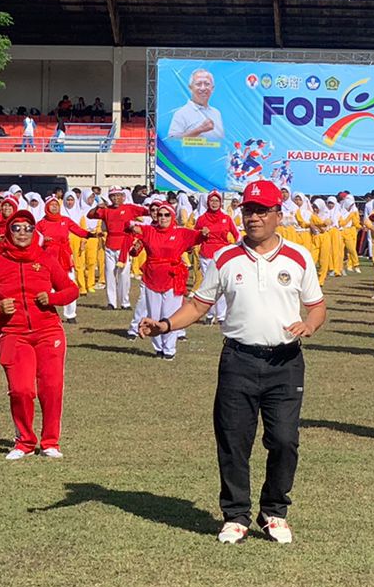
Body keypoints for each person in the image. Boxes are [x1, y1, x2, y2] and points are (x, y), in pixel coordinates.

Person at [140, 180, 326, 544]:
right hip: (238, 359)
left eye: (261, 210)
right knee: (233, 439)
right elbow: (197, 305)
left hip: (285, 362)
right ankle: (236, 515)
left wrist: (310, 324)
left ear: (278, 214)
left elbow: (316, 305)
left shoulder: (299, 256)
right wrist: (164, 324)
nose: (253, 217)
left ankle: (274, 511)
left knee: (285, 441)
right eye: (248, 210)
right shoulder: (225, 257)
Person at [0, 209, 78, 459]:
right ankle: (25, 441)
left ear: (35, 232)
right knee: (21, 390)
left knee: (51, 387)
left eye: (28, 228)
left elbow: (71, 290)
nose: (22, 233)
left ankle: (50, 441)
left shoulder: (46, 259)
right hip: (13, 333)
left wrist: (51, 298)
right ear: (8, 232)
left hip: (48, 331)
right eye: (16, 228)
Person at [127, 200, 203, 359]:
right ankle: (158, 348)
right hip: (152, 277)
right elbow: (130, 227)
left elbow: (200, 236)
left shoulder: (181, 232)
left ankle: (169, 349)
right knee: (154, 314)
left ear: (172, 216)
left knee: (170, 314)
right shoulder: (149, 230)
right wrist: (131, 226)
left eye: (167, 215)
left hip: (173, 277)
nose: (163, 218)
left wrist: (205, 233)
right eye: (160, 214)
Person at [87, 187, 147, 312]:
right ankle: (111, 302)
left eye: (118, 195)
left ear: (123, 197)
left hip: (124, 244)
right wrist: (98, 207)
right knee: (109, 273)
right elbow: (90, 215)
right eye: (113, 196)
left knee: (124, 274)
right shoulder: (106, 210)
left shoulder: (129, 208)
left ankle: (125, 302)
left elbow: (146, 211)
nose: (115, 198)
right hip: (110, 244)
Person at [35, 197, 90, 323]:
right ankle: (45, 313)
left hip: (64, 257)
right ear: (47, 207)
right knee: (47, 286)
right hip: (48, 258)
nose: (54, 207)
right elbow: (34, 239)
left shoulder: (65, 220)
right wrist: (44, 240)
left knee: (69, 283)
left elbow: (78, 230)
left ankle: (70, 314)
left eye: (56, 205)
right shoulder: (41, 223)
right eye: (51, 205)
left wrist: (90, 235)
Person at [194, 191, 240, 324]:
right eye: (212, 201)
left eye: (217, 201)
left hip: (222, 255)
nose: (214, 203)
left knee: (223, 285)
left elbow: (237, 234)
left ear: (220, 203)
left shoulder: (226, 218)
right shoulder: (202, 218)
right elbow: (194, 235)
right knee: (208, 285)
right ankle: (209, 314)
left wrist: (236, 249)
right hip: (207, 254)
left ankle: (221, 315)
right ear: (208, 202)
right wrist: (201, 234)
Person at [167, 68, 225, 141]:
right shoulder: (181, 113)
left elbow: (221, 140)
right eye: (198, 84)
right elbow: (172, 140)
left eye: (207, 84)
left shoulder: (216, 113)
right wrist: (199, 130)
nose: (203, 88)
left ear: (212, 88)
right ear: (190, 88)